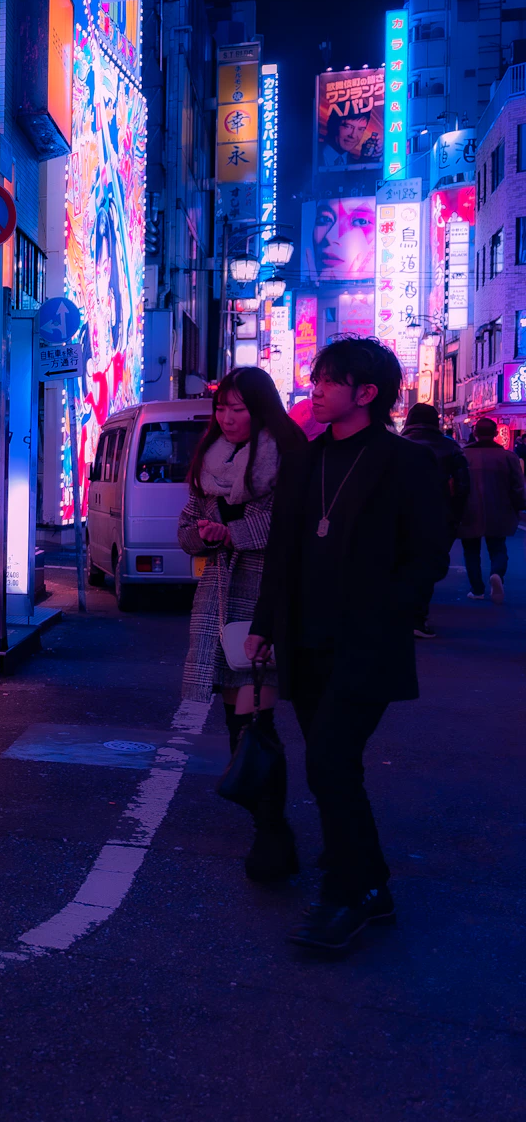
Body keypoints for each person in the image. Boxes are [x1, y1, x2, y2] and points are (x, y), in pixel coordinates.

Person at [248, 338, 449, 952]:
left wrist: (391, 613)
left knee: (330, 762)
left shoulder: (406, 463)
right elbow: (281, 551)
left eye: (330, 380)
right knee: (336, 765)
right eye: (316, 376)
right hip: (304, 639)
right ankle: (373, 886)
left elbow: (428, 557)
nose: (316, 387)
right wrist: (262, 624)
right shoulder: (306, 459)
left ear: (367, 393)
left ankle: (347, 893)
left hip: (366, 643)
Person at [176, 368, 305, 881]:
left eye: (239, 409)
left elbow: (287, 526)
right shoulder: (209, 461)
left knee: (258, 724)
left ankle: (274, 837)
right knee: (237, 726)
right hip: (220, 600)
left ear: (261, 408)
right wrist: (204, 533)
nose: (227, 419)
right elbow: (186, 525)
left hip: (265, 599)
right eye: (221, 409)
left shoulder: (286, 457)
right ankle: (269, 826)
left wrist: (231, 533)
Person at [400, 403, 468, 636]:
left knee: (399, 561)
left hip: (398, 512)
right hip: (438, 514)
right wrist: (455, 516)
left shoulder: (396, 445)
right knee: (427, 565)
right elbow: (462, 486)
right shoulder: (451, 448)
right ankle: (418, 618)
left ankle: (400, 614)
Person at [458, 418, 526, 604]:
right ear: (496, 434)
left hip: (469, 510)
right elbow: (518, 486)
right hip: (500, 507)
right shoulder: (508, 457)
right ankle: (497, 573)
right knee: (498, 547)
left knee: (471, 551)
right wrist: (519, 505)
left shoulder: (463, 455)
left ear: (475, 433)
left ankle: (477, 589)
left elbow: (456, 485)